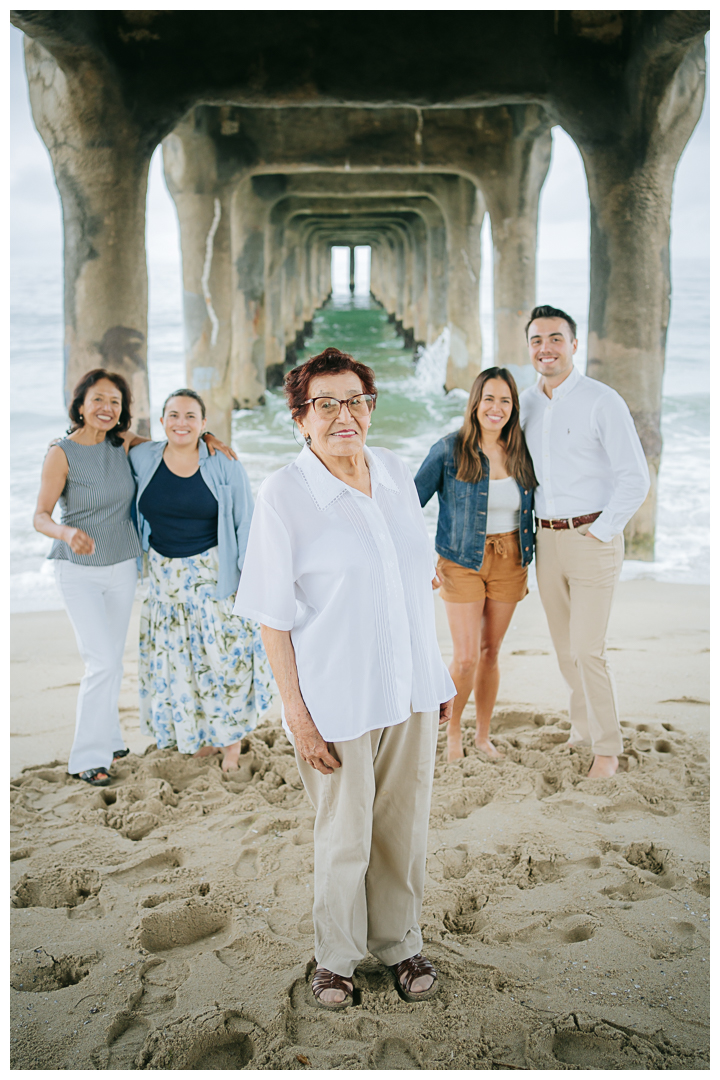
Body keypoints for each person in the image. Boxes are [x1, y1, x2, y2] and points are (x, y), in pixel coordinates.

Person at [233, 346, 455, 1008]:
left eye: (355, 401)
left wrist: (435, 676)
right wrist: (296, 717)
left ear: (370, 408)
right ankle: (335, 959)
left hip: (410, 687)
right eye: (325, 405)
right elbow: (272, 618)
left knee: (402, 826)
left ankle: (401, 941)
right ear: (300, 419)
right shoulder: (284, 496)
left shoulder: (391, 471)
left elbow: (412, 582)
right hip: (337, 699)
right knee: (343, 835)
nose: (343, 417)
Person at [33, 368, 237, 787]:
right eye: (98, 401)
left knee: (109, 657)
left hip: (124, 565)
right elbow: (40, 516)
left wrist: (209, 438)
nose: (106, 409)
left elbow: (176, 443)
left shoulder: (124, 444)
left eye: (115, 402)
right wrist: (65, 532)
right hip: (78, 571)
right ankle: (88, 757)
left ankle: (109, 737)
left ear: (123, 410)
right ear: (80, 405)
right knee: (101, 661)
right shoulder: (61, 452)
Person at [520, 304, 650, 779]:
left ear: (574, 345)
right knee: (564, 648)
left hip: (592, 536)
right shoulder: (527, 402)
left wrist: (601, 531)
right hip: (545, 541)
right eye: (537, 340)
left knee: (588, 649)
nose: (546, 348)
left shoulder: (601, 400)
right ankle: (583, 729)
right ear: (529, 347)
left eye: (555, 338)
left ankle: (608, 750)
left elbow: (635, 477)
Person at [129, 389, 274, 772]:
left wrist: (247, 579)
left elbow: (247, 522)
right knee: (182, 666)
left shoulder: (223, 463)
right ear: (161, 421)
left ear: (204, 424)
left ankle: (231, 742)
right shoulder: (143, 457)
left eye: (191, 416)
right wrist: (61, 444)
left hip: (214, 578)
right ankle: (202, 737)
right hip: (164, 584)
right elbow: (113, 439)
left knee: (224, 662)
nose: (182, 422)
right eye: (173, 415)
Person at [414, 367, 536, 762]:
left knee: (490, 652)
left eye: (505, 400)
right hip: (460, 561)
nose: (496, 408)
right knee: (464, 657)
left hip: (510, 559)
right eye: (489, 399)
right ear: (475, 404)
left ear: (513, 407)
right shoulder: (450, 449)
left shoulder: (520, 451)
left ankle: (482, 736)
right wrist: (418, 561)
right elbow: (408, 506)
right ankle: (452, 733)